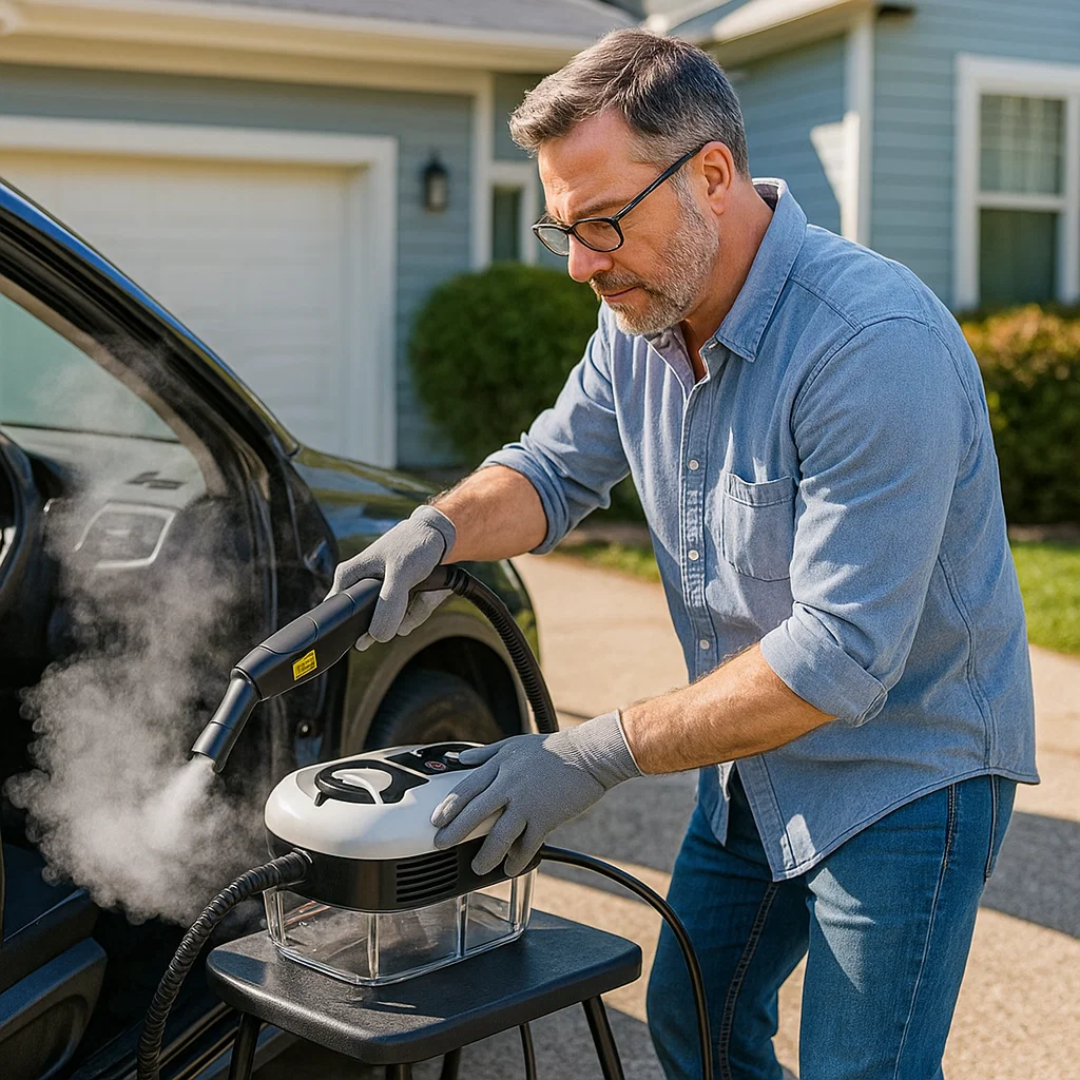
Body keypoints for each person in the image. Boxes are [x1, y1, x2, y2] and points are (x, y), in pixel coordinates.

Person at [329, 29, 1037, 1080]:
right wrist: (436, 530)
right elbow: (550, 468)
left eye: (604, 222)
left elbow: (840, 654)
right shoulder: (639, 319)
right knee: (695, 1025)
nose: (581, 265)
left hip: (906, 772)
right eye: (563, 229)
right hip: (753, 759)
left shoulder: (871, 344)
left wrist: (583, 753)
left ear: (712, 174)